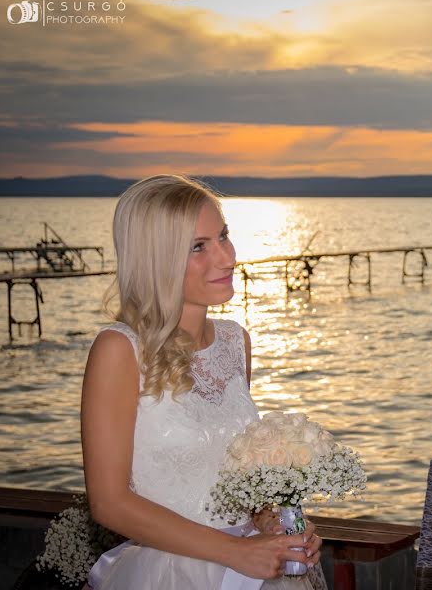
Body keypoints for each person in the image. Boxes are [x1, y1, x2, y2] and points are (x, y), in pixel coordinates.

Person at [81, 174, 327, 589]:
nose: (227, 257)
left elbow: (229, 476)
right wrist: (235, 552)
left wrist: (270, 519)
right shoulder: (118, 350)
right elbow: (109, 503)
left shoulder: (236, 341)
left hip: (252, 568)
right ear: (155, 258)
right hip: (175, 573)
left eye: (224, 237)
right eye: (198, 247)